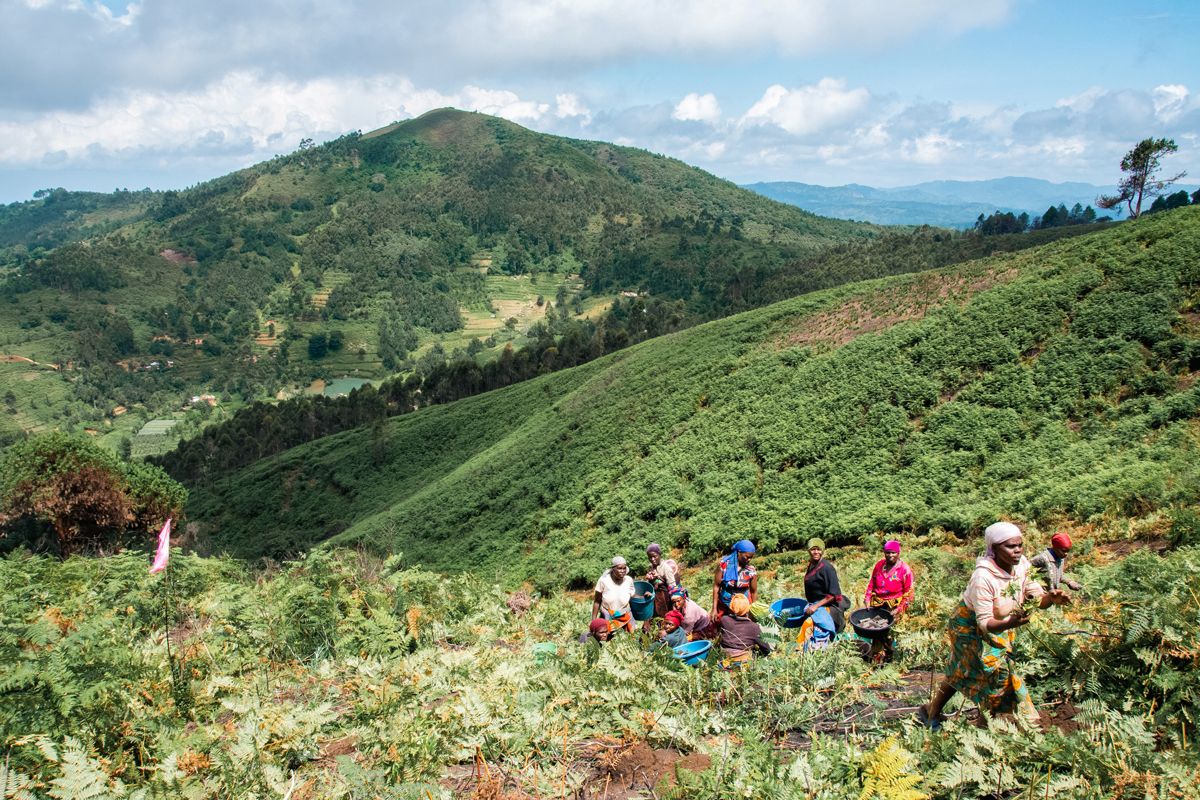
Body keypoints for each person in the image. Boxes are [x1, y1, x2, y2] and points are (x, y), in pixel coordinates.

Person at [919, 522, 1069, 730]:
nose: (1017, 550)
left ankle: (944, 715)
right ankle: (976, 723)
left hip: (1001, 623)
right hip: (969, 627)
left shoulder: (1022, 566)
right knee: (982, 672)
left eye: (1020, 545)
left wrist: (1051, 598)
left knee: (975, 672)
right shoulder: (984, 577)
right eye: (1010, 546)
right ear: (994, 549)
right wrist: (1011, 622)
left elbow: (1036, 597)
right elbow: (985, 623)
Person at [803, 538, 848, 632]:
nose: (816, 552)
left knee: (810, 629)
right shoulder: (812, 564)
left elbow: (833, 594)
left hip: (828, 606)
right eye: (813, 549)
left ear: (822, 551)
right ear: (808, 550)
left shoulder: (827, 568)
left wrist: (815, 606)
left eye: (818, 549)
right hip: (815, 604)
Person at [716, 594, 772, 667]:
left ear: (731, 607)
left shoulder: (724, 620)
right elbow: (766, 649)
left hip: (725, 661)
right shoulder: (754, 627)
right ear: (748, 609)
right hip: (743, 664)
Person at [712, 539, 758, 618]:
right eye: (747, 557)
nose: (749, 560)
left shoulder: (751, 570)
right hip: (725, 604)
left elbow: (754, 591)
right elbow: (716, 586)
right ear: (739, 553)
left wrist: (754, 610)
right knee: (723, 625)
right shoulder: (724, 565)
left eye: (751, 557)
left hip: (743, 605)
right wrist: (714, 608)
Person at [592, 556, 636, 634]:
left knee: (632, 638)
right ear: (613, 569)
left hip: (625, 614)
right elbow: (597, 601)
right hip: (608, 615)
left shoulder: (628, 580)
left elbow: (633, 596)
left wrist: (644, 596)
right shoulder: (604, 580)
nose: (622, 571)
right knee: (607, 639)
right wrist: (594, 621)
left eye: (624, 568)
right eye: (619, 568)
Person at [645, 543, 681, 618]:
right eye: (650, 557)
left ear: (660, 554)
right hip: (656, 599)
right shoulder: (651, 567)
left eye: (654, 556)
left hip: (666, 600)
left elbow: (673, 587)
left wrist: (658, 577)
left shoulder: (666, 568)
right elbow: (653, 584)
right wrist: (650, 580)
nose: (652, 559)